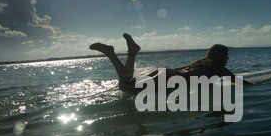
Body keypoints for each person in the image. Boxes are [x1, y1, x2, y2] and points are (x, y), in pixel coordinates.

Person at [89, 33, 250, 93]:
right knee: (125, 87)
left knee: (128, 84)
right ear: (221, 57)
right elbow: (242, 83)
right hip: (169, 78)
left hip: (167, 72)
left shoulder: (202, 63)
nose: (228, 59)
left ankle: (132, 52)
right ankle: (111, 53)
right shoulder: (220, 70)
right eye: (227, 56)